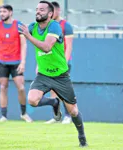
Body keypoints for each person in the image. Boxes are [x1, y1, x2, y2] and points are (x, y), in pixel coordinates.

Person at [19, 1, 88, 147]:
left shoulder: (55, 26)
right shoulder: (32, 27)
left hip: (61, 76)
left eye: (42, 10)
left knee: (73, 111)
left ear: (50, 14)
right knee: (32, 99)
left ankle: (82, 137)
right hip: (43, 75)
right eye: (37, 9)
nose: (38, 12)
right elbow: (22, 36)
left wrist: (28, 36)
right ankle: (53, 102)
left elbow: (46, 47)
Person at [0, 4, 33, 123]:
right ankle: (4, 115)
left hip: (16, 62)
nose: (1, 14)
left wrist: (23, 62)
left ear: (10, 12)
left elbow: (24, 44)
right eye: (0, 12)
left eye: (4, 12)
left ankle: (23, 113)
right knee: (2, 87)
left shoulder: (18, 25)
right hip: (2, 62)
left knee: (21, 88)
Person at [44, 1, 74, 124]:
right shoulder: (48, 26)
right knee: (52, 90)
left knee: (63, 89)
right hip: (50, 63)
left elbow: (69, 46)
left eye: (53, 11)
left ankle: (68, 115)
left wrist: (64, 64)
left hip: (62, 63)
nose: (51, 14)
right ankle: (56, 116)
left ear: (58, 10)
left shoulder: (66, 26)